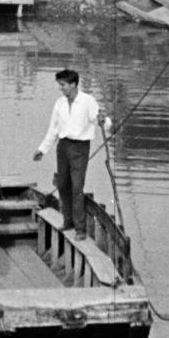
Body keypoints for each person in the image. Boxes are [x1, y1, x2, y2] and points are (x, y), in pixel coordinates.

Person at [33, 68, 112, 236]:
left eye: (63, 85)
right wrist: (42, 149)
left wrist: (103, 121)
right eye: (59, 85)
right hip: (63, 146)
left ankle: (80, 228)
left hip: (80, 148)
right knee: (62, 184)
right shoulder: (59, 103)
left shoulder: (88, 101)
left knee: (77, 187)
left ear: (73, 84)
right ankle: (67, 221)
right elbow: (53, 130)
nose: (60, 88)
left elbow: (101, 121)